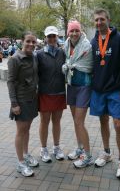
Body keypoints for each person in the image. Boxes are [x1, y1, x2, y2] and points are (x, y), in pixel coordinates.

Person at [90, 9, 120, 179]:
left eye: (102, 19)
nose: (99, 22)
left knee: (118, 124)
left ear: (108, 19)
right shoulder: (93, 41)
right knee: (103, 121)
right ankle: (107, 152)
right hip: (98, 89)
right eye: (96, 20)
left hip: (116, 89)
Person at [7, 31, 39, 177]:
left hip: (32, 99)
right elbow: (10, 82)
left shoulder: (33, 57)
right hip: (20, 100)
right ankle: (20, 163)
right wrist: (14, 104)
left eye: (33, 42)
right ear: (22, 41)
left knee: (27, 129)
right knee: (21, 131)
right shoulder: (15, 59)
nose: (31, 44)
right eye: (28, 41)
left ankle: (26, 155)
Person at [62, 20, 93, 168]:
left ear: (80, 31)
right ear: (68, 32)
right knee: (75, 120)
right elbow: (67, 61)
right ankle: (80, 148)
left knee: (79, 122)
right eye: (71, 31)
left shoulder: (87, 45)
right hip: (71, 85)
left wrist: (69, 65)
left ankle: (87, 156)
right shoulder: (66, 45)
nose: (74, 33)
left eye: (76, 30)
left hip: (84, 86)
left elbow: (88, 66)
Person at [37, 26, 66, 162]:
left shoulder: (62, 52)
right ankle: (43, 149)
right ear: (45, 38)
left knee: (57, 121)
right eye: (49, 36)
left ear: (57, 37)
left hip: (60, 92)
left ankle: (56, 147)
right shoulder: (39, 54)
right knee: (44, 121)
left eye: (54, 36)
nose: (52, 38)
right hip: (45, 93)